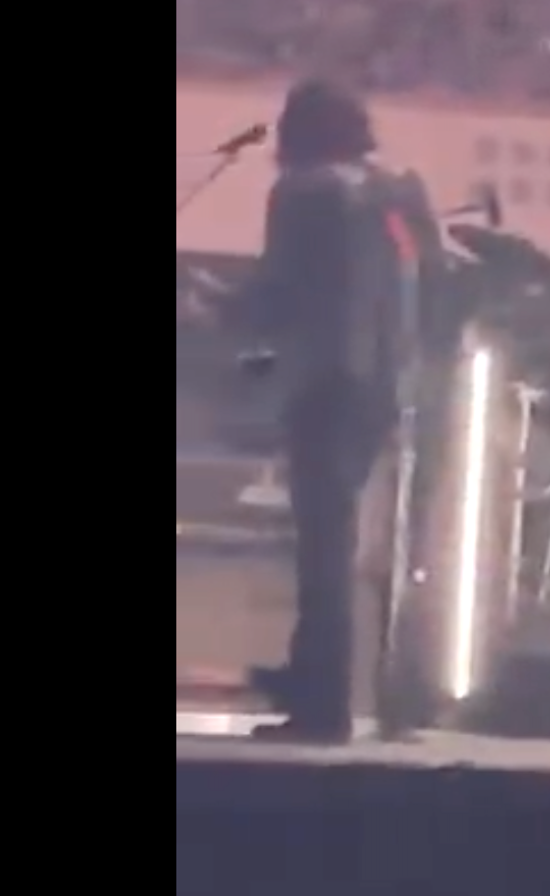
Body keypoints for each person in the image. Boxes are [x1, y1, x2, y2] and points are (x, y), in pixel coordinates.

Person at [238, 78, 406, 743]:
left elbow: (281, 290)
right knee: (336, 544)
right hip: (374, 386)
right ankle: (314, 677)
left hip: (322, 381)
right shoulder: (387, 192)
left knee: (322, 547)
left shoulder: (301, 192)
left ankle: (320, 700)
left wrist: (220, 310)